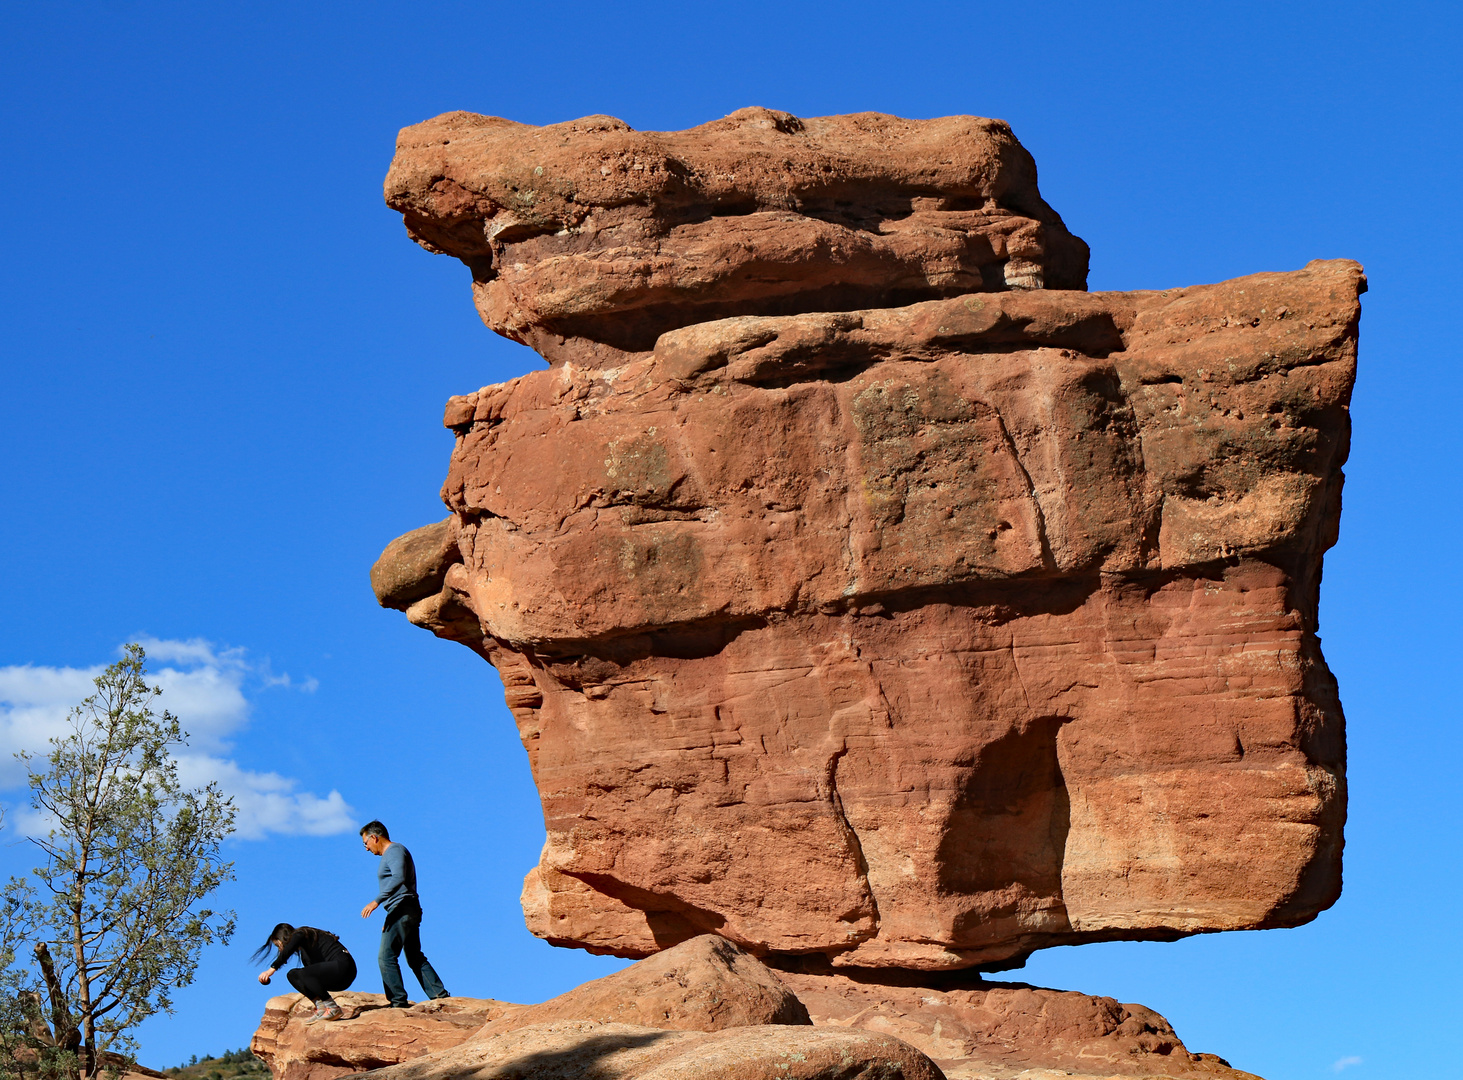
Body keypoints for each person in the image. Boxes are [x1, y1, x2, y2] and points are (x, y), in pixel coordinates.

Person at [359, 820, 450, 1007]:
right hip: (403, 909)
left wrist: (376, 901)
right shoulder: (393, 852)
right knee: (414, 955)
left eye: (365, 843)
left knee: (385, 956)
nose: (366, 849)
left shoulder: (394, 850)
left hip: (403, 908)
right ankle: (440, 996)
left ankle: (397, 1001)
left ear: (374, 837)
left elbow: (399, 878)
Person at [253, 923, 356, 1023]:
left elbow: (289, 949)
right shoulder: (306, 954)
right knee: (293, 975)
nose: (280, 949)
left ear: (283, 938)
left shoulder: (302, 933)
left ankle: (333, 1008)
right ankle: (321, 1008)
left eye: (278, 945)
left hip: (344, 969)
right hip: (338, 978)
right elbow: (309, 980)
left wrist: (271, 970)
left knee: (305, 974)